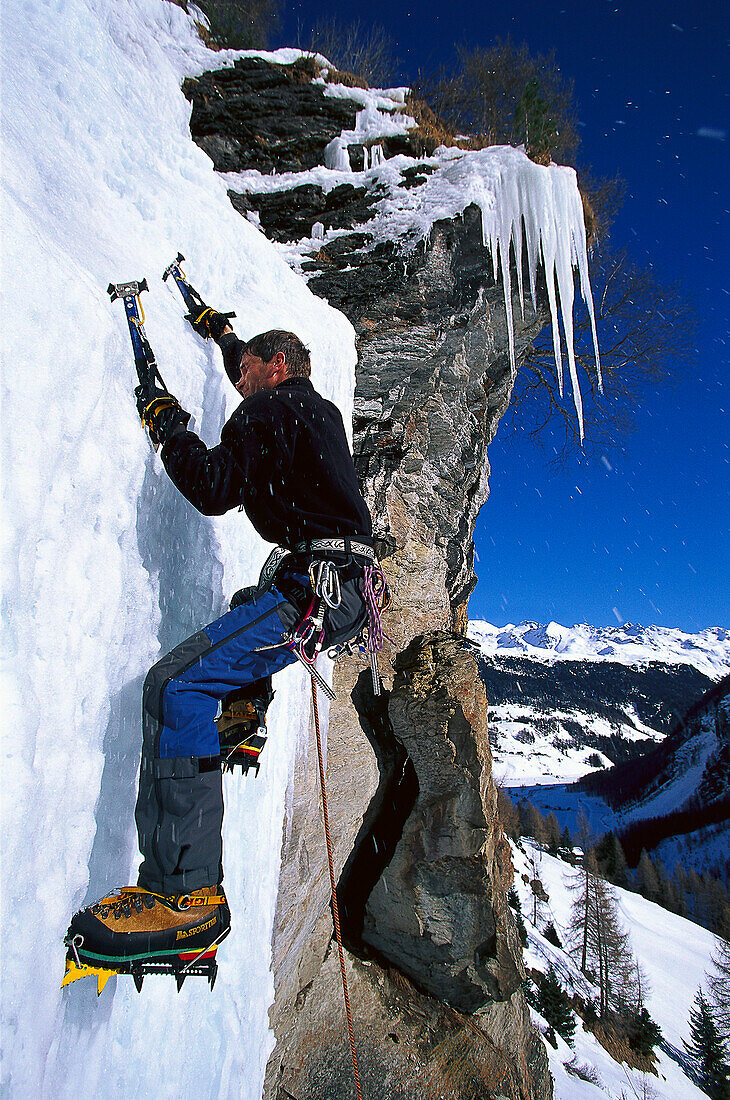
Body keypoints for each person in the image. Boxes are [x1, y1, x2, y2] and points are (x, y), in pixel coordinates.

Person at [63, 312, 377, 989]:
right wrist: (218, 333)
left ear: (276, 369)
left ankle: (185, 902)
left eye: (245, 375)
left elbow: (211, 486)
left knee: (175, 689)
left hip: (315, 588)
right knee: (244, 612)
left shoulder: (269, 408)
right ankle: (240, 717)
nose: (238, 386)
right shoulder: (308, 408)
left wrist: (169, 425)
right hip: (344, 591)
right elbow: (250, 356)